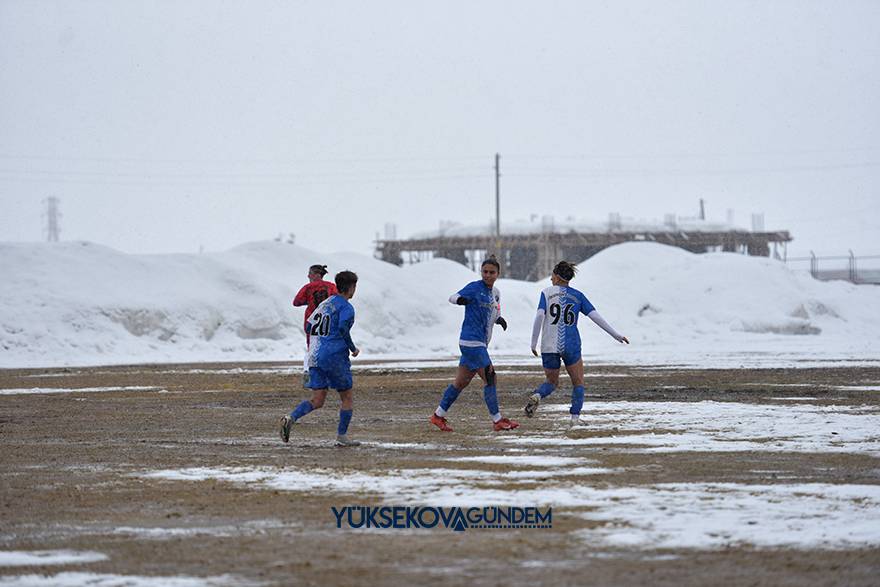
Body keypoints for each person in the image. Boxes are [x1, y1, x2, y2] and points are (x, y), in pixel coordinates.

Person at [525, 261, 629, 427]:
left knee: (551, 383)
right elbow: (595, 317)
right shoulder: (578, 296)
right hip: (571, 344)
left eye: (552, 275)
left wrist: (533, 342)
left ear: (557, 277)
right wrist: (616, 335)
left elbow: (539, 316)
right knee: (578, 382)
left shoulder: (546, 293)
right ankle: (574, 418)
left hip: (548, 345)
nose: (550, 279)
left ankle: (538, 395)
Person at [430, 257, 519, 432]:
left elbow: (492, 312)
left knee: (460, 383)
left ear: (498, 274)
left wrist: (498, 319)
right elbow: (452, 297)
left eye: (491, 272)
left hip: (479, 344)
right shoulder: (474, 287)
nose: (487, 275)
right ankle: (497, 420)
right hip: (471, 342)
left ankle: (437, 416)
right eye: (485, 271)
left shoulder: (496, 293)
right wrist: (461, 300)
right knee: (491, 378)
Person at [281, 270, 361, 447]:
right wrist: (352, 348)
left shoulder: (325, 304)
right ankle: (342, 437)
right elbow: (342, 328)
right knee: (347, 397)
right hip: (334, 356)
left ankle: (291, 417)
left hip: (315, 356)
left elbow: (309, 326)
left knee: (318, 400)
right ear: (351, 287)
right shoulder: (346, 307)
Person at [293, 264, 338, 386]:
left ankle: (308, 375)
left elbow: (296, 302)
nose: (308, 276)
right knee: (328, 347)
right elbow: (338, 300)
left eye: (310, 273)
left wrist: (309, 300)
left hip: (312, 322)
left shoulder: (308, 287)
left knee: (311, 348)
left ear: (317, 275)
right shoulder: (332, 287)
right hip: (328, 322)